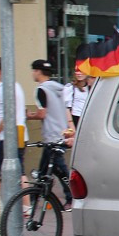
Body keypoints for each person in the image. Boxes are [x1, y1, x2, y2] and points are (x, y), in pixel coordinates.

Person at [26, 59, 74, 209]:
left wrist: (28, 115)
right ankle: (35, 200)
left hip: (51, 137)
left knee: (59, 169)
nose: (33, 73)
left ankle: (72, 197)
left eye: (33, 70)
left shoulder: (41, 90)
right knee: (46, 170)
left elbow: (42, 114)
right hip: (61, 133)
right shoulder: (59, 88)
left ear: (38, 72)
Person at [0, 56, 27, 197]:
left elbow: (8, 114)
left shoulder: (2, 89)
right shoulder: (17, 86)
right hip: (20, 132)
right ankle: (26, 206)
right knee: (20, 171)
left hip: (5, 135)